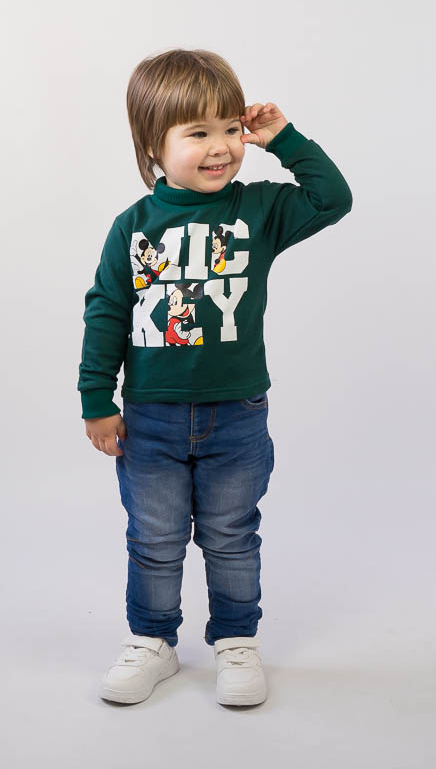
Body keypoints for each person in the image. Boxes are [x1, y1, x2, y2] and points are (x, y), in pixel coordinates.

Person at [77, 48, 353, 706]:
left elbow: (332, 199)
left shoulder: (259, 210)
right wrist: (96, 398)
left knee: (231, 536)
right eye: (198, 132)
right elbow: (107, 310)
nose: (221, 146)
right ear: (153, 144)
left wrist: (282, 138)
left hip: (236, 415)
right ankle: (152, 641)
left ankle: (236, 641)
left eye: (230, 128)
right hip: (150, 418)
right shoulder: (133, 227)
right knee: (154, 539)